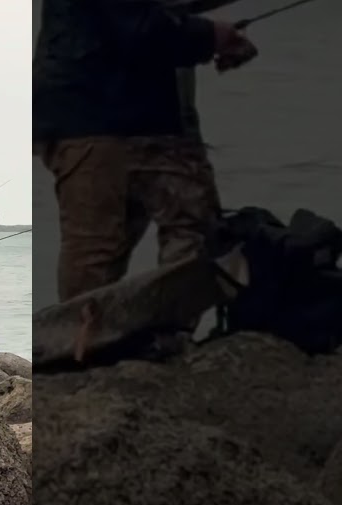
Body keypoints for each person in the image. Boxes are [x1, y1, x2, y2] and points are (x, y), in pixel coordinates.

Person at [35, 0, 257, 302]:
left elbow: (145, 19)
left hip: (124, 118)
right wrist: (211, 37)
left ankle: (145, 324)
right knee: (101, 247)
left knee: (188, 232)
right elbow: (135, 25)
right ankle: (92, 328)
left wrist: (205, 38)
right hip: (91, 118)